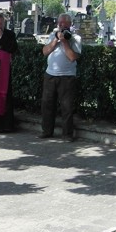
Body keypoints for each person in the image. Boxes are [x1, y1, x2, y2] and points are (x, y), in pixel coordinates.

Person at [38, 13, 82, 142]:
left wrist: (64, 42)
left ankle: (67, 135)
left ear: (69, 24)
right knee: (47, 104)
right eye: (59, 22)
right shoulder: (53, 35)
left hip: (67, 77)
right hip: (50, 75)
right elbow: (45, 52)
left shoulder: (75, 38)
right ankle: (47, 131)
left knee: (66, 107)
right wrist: (55, 40)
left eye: (64, 23)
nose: (61, 25)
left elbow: (73, 57)